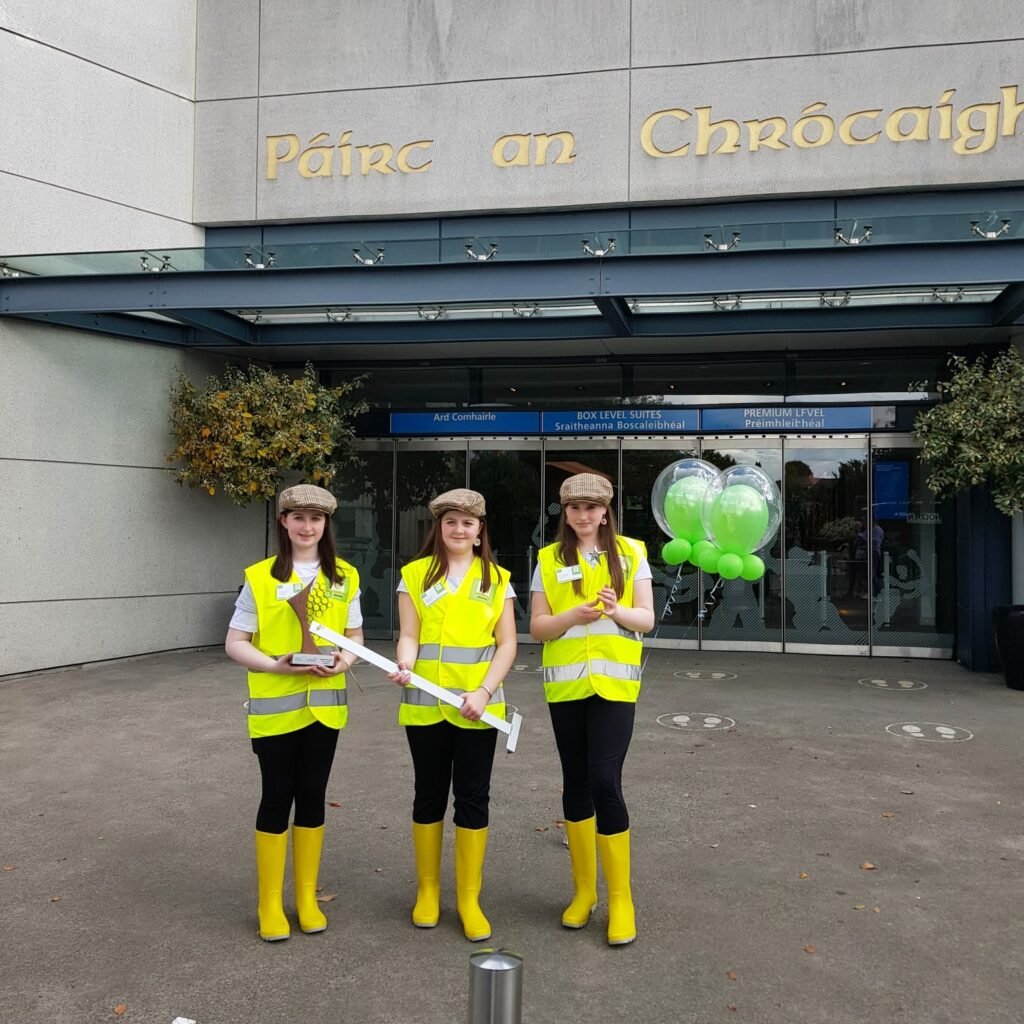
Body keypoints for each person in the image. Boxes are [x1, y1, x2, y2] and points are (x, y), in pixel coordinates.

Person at [225, 484, 363, 941]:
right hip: (275, 709)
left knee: (312, 795)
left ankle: (305, 897)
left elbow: (354, 637)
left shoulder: (345, 576)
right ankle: (269, 903)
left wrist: (342, 662)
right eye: (298, 517)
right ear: (283, 522)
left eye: (316, 519)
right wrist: (274, 666)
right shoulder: (260, 577)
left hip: (325, 707)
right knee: (275, 796)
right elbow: (235, 643)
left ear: (326, 526)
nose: (308, 526)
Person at [530, 473, 654, 946]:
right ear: (565, 513)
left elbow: (646, 617)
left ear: (606, 511)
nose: (584, 516)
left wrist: (613, 610)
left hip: (614, 688)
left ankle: (620, 897)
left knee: (606, 781)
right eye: (575, 508)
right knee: (576, 783)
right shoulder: (548, 559)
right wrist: (573, 616)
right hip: (566, 689)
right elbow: (539, 627)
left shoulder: (631, 553)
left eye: (593, 508)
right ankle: (584, 893)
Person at [388, 489, 517, 941]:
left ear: (480, 530)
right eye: (450, 522)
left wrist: (484, 691)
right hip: (425, 705)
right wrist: (404, 663)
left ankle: (468, 898)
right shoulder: (415, 575)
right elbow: (409, 635)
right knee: (428, 795)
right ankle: (427, 892)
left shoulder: (498, 579)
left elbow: (507, 645)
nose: (459, 530)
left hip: (477, 708)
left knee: (473, 798)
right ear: (438, 529)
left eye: (468, 523)